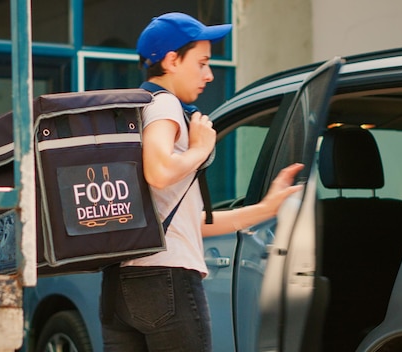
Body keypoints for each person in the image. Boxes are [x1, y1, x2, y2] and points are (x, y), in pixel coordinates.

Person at [100, 12, 305, 352]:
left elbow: (185, 224)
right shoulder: (163, 105)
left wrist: (266, 208)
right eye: (202, 63)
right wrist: (201, 148)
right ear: (171, 61)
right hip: (167, 281)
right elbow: (160, 171)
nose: (209, 75)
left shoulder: (132, 111)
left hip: (119, 286)